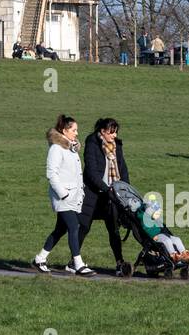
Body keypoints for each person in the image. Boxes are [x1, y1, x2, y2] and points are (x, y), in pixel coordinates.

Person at [31, 115, 93, 275]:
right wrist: (63, 194)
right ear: (64, 130)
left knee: (60, 229)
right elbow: (51, 174)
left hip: (74, 197)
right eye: (74, 130)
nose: (77, 133)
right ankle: (77, 264)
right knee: (74, 226)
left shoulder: (70, 148)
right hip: (63, 197)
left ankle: (39, 259)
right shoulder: (56, 149)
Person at [77, 117, 129, 274]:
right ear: (102, 131)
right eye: (111, 132)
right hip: (92, 193)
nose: (114, 135)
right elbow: (91, 172)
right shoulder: (92, 143)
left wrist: (125, 190)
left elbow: (123, 169)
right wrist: (106, 189)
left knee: (114, 229)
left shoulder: (117, 146)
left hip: (112, 195)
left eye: (115, 132)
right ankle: (75, 260)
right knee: (84, 227)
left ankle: (119, 262)